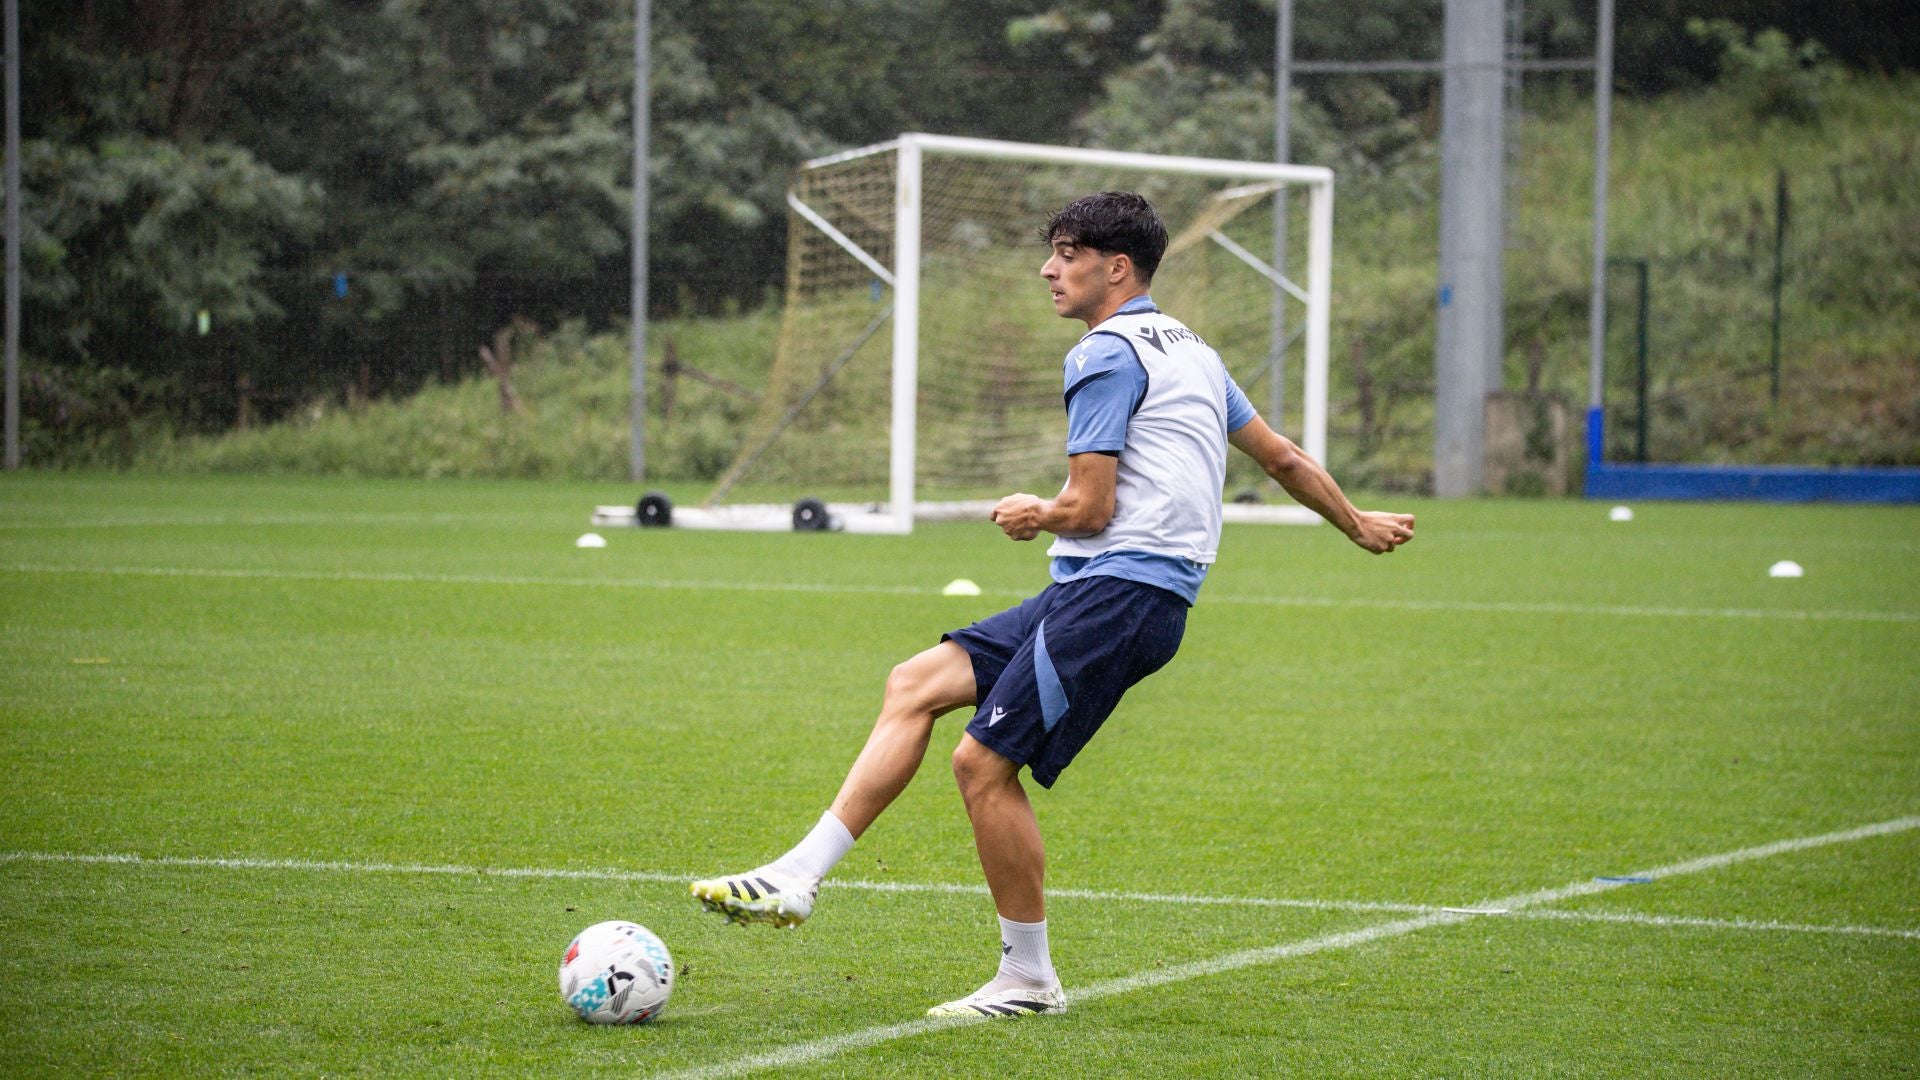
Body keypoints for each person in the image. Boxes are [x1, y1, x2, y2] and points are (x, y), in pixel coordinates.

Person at [691, 190, 1414, 1019]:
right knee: (915, 683)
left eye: (1066, 253)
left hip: (1120, 592)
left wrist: (1037, 512)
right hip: (1109, 588)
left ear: (1116, 267)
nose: (1048, 268)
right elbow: (1282, 458)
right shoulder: (1193, 350)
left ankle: (1029, 979)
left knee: (980, 765)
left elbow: (1091, 507)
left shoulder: (1104, 353)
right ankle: (798, 875)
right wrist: (1355, 521)